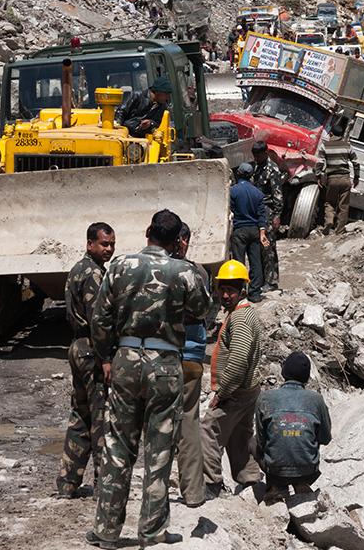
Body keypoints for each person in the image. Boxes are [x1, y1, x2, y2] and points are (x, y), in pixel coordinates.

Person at [87, 210, 211, 549]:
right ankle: (153, 531)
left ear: (147, 233)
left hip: (125, 359)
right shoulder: (184, 271)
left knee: (117, 447)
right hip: (165, 364)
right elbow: (202, 310)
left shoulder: (120, 266)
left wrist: (106, 355)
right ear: (176, 241)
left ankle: (106, 531)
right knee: (159, 451)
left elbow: (99, 318)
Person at [57, 222, 115, 499]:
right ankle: (103, 484)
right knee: (100, 417)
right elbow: (98, 320)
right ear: (90, 243)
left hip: (77, 346)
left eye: (112, 244)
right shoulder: (93, 274)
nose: (109, 249)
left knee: (80, 416)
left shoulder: (77, 270)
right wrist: (106, 357)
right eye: (104, 244)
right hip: (92, 349)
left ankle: (68, 482)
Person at [200, 259, 265, 500]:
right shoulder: (246, 314)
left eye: (231, 290)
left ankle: (210, 483)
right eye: (222, 289)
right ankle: (250, 479)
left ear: (242, 290)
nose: (225, 295)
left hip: (236, 390)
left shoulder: (239, 319)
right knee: (240, 435)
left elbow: (238, 358)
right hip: (249, 389)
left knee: (208, 429)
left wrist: (222, 392)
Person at [255, 351, 332, 503]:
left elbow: (261, 439)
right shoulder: (316, 400)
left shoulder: (265, 397)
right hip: (308, 471)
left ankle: (274, 486)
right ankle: (300, 482)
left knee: (252, 443)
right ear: (306, 377)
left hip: (276, 470)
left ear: (283, 372)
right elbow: (325, 438)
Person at [173, 223, 211, 508]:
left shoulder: (148, 269)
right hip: (191, 355)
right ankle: (194, 493)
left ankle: (156, 491)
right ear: (185, 241)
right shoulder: (197, 272)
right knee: (189, 420)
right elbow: (204, 313)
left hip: (157, 355)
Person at [229, 162, 269, 303]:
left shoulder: (233, 191)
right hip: (254, 230)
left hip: (239, 230)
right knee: (256, 262)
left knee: (239, 262)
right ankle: (255, 293)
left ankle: (239, 292)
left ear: (238, 174)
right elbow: (262, 215)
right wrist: (262, 233)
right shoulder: (258, 193)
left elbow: (230, 211)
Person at [251, 141, 284, 294]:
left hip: (268, 211)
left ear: (265, 153)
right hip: (258, 210)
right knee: (259, 246)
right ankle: (262, 278)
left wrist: (277, 215)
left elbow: (277, 194)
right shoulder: (258, 167)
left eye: (258, 155)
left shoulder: (272, 169)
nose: (256, 158)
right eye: (255, 156)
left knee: (268, 247)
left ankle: (271, 281)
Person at [316, 118, 359, 234]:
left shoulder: (325, 146)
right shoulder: (347, 145)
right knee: (343, 205)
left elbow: (319, 162)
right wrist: (356, 177)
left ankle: (329, 222)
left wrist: (318, 176)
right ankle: (339, 230)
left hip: (332, 179)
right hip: (345, 179)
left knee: (330, 202)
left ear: (331, 134)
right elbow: (356, 162)